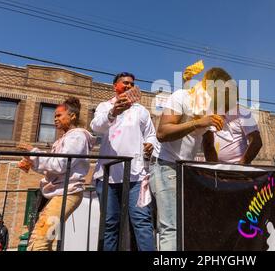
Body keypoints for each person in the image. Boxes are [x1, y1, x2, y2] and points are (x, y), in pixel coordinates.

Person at [151, 67, 230, 250]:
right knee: (171, 227)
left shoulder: (210, 109)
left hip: (185, 170)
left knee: (186, 224)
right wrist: (197, 122)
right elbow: (162, 133)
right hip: (166, 165)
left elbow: (209, 147)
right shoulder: (180, 97)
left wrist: (217, 175)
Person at [90, 72, 158, 251]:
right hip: (107, 176)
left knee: (142, 221)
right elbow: (96, 127)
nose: (128, 86)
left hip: (136, 175)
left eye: (131, 84)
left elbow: (151, 134)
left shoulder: (141, 110)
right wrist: (113, 113)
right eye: (124, 83)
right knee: (110, 224)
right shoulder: (105, 106)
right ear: (115, 86)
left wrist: (150, 143)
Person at [18, 97, 94, 251]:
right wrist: (32, 162)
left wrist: (33, 152)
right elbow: (52, 167)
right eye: (54, 116)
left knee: (39, 241)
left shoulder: (77, 136)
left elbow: (61, 164)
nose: (55, 119)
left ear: (72, 116)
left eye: (59, 115)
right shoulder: (63, 139)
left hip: (67, 194)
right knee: (45, 241)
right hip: (58, 194)